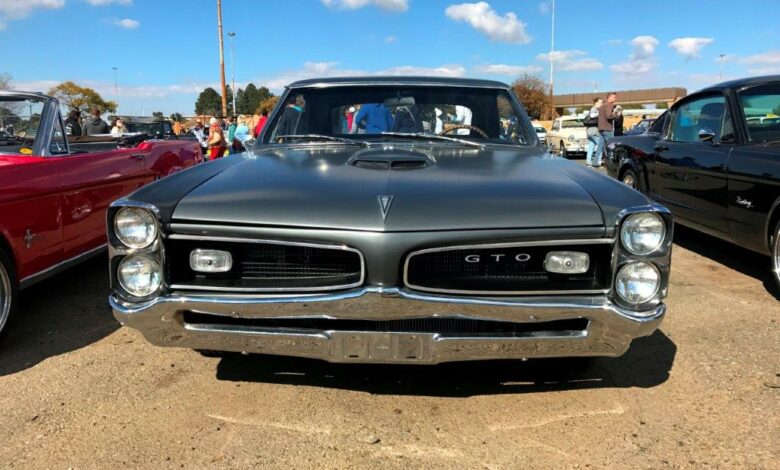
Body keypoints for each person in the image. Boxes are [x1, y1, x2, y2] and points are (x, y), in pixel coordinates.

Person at [595, 92, 618, 167]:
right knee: (612, 146)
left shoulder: (602, 105)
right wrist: (616, 115)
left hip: (601, 128)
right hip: (607, 128)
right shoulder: (609, 105)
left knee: (600, 146)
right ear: (609, 97)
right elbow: (609, 116)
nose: (615, 98)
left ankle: (595, 162)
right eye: (614, 97)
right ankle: (611, 163)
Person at [584, 98, 603, 167]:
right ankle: (597, 161)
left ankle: (588, 162)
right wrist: (599, 113)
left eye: (602, 102)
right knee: (601, 145)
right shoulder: (594, 109)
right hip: (593, 131)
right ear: (596, 103)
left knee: (591, 146)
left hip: (590, 132)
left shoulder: (595, 109)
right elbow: (592, 115)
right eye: (600, 102)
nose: (601, 104)